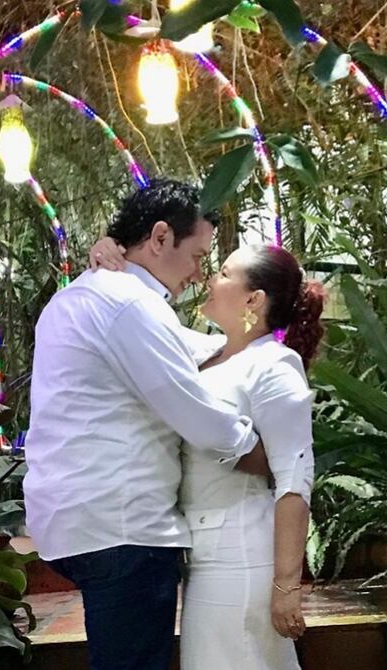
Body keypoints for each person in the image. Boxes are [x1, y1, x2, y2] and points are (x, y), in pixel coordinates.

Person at [24, 178, 269, 670]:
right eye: (198, 256)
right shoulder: (128, 304)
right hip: (124, 527)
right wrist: (272, 458)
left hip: (78, 523)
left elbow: (187, 350)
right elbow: (195, 412)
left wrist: (263, 336)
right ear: (160, 237)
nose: (199, 275)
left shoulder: (82, 295)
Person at [91, 239, 325, 669]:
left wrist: (286, 586)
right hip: (202, 558)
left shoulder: (274, 364)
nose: (208, 279)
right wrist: (112, 260)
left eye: (223, 274)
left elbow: (295, 478)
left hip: (241, 559)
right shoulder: (206, 352)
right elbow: (143, 330)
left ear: (253, 300)